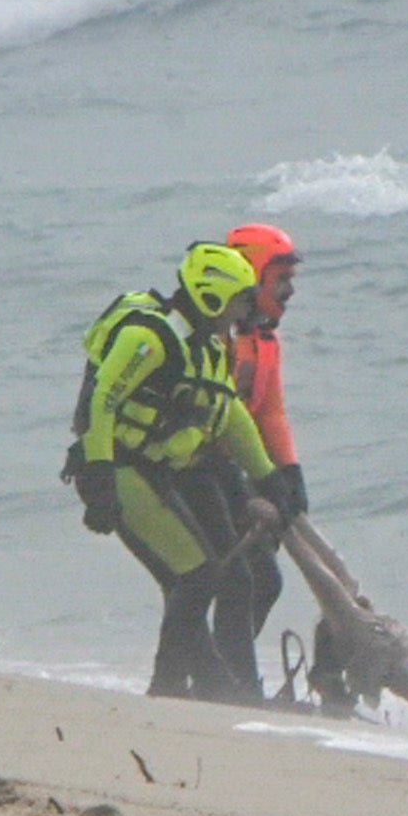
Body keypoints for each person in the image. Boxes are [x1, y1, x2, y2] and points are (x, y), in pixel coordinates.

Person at [69, 241, 295, 699]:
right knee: (196, 575)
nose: (242, 313)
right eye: (238, 301)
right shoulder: (150, 338)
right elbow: (102, 401)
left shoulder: (207, 348)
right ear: (213, 297)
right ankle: (170, 686)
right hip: (119, 469)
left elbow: (229, 414)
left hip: (153, 473)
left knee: (198, 575)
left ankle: (201, 685)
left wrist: (272, 478)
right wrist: (98, 478)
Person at [214, 221, 305, 692]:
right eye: (281, 279)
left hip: (247, 475)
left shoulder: (266, 341)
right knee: (250, 580)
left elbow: (270, 413)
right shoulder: (220, 340)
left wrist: (290, 475)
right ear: (252, 274)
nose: (289, 291)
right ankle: (230, 686)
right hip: (209, 473)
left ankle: (223, 679)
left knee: (258, 582)